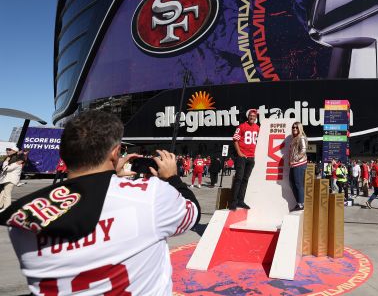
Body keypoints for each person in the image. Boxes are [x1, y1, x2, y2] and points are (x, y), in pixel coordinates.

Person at [0, 110, 200, 295]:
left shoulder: (21, 216)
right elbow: (192, 214)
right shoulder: (152, 194)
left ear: (63, 154)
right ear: (115, 152)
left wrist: (112, 177)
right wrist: (172, 179)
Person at [230, 109, 260, 210]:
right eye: (251, 116)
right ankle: (233, 201)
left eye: (254, 116)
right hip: (242, 157)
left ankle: (241, 201)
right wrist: (239, 153)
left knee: (245, 180)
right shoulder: (241, 126)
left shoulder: (257, 127)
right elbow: (235, 140)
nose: (252, 118)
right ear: (248, 116)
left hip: (251, 157)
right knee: (239, 178)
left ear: (256, 118)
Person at [289, 121, 308, 211]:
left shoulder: (301, 137)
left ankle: (301, 204)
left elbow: (303, 149)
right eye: (293, 127)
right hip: (294, 164)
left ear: (300, 128)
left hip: (300, 164)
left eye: (296, 127)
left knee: (298, 184)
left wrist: (297, 158)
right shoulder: (294, 138)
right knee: (292, 183)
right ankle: (299, 202)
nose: (294, 129)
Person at [0, 146, 24, 210]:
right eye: (7, 149)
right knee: (3, 193)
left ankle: (7, 208)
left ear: (14, 151)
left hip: (10, 179)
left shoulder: (15, 159)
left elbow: (6, 168)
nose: (8, 151)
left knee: (7, 194)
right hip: (7, 179)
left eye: (9, 150)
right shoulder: (10, 157)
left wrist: (6, 161)